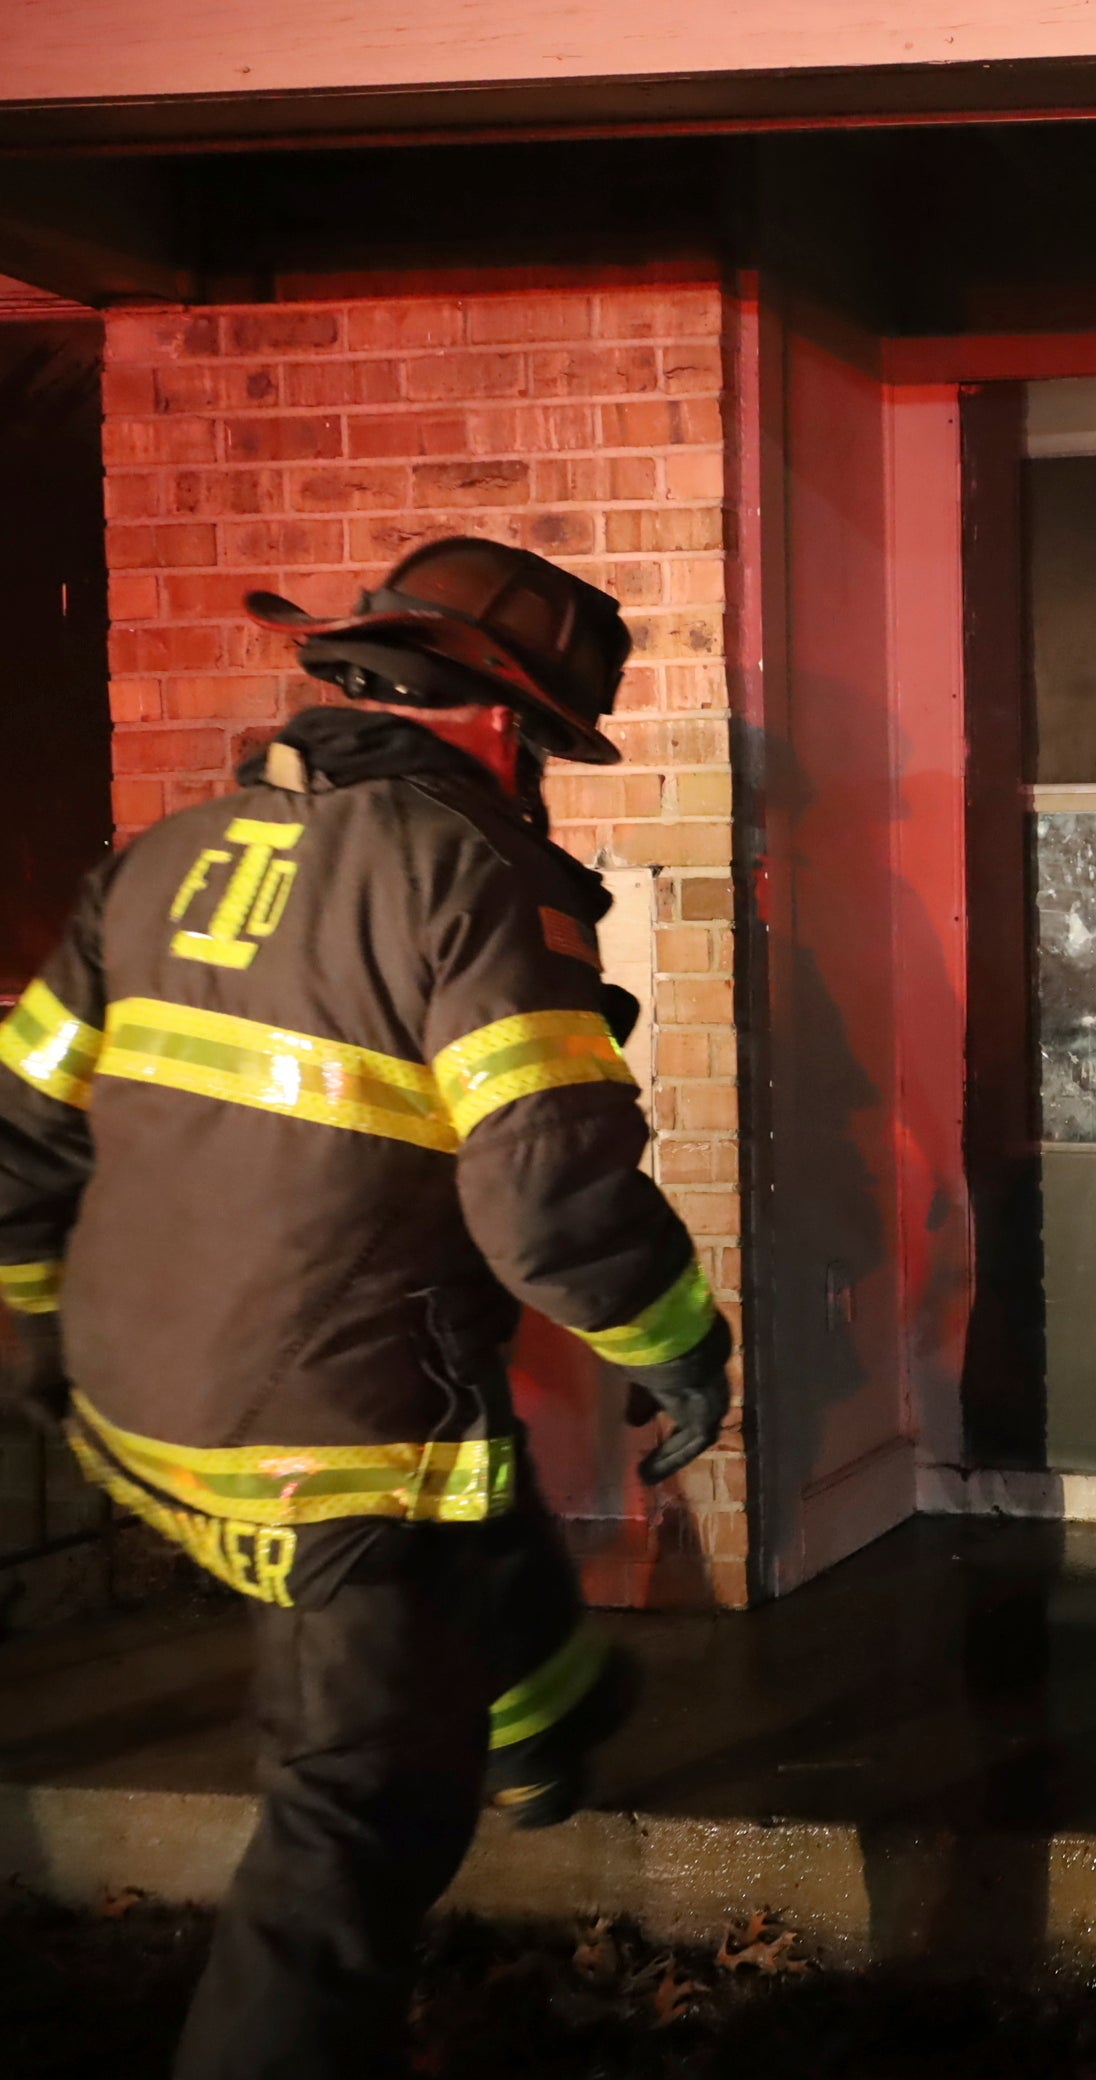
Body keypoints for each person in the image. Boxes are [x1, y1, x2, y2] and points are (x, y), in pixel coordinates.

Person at [0, 537, 733, 2080]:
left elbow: (21, 1135)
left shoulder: (161, 856)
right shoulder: (476, 878)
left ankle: (532, 1712)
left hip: (130, 1400)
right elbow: (549, 1197)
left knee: (469, 1464)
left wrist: (38, 1338)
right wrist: (675, 1344)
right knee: (357, 1822)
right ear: (491, 721)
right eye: (541, 746)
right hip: (320, 1449)